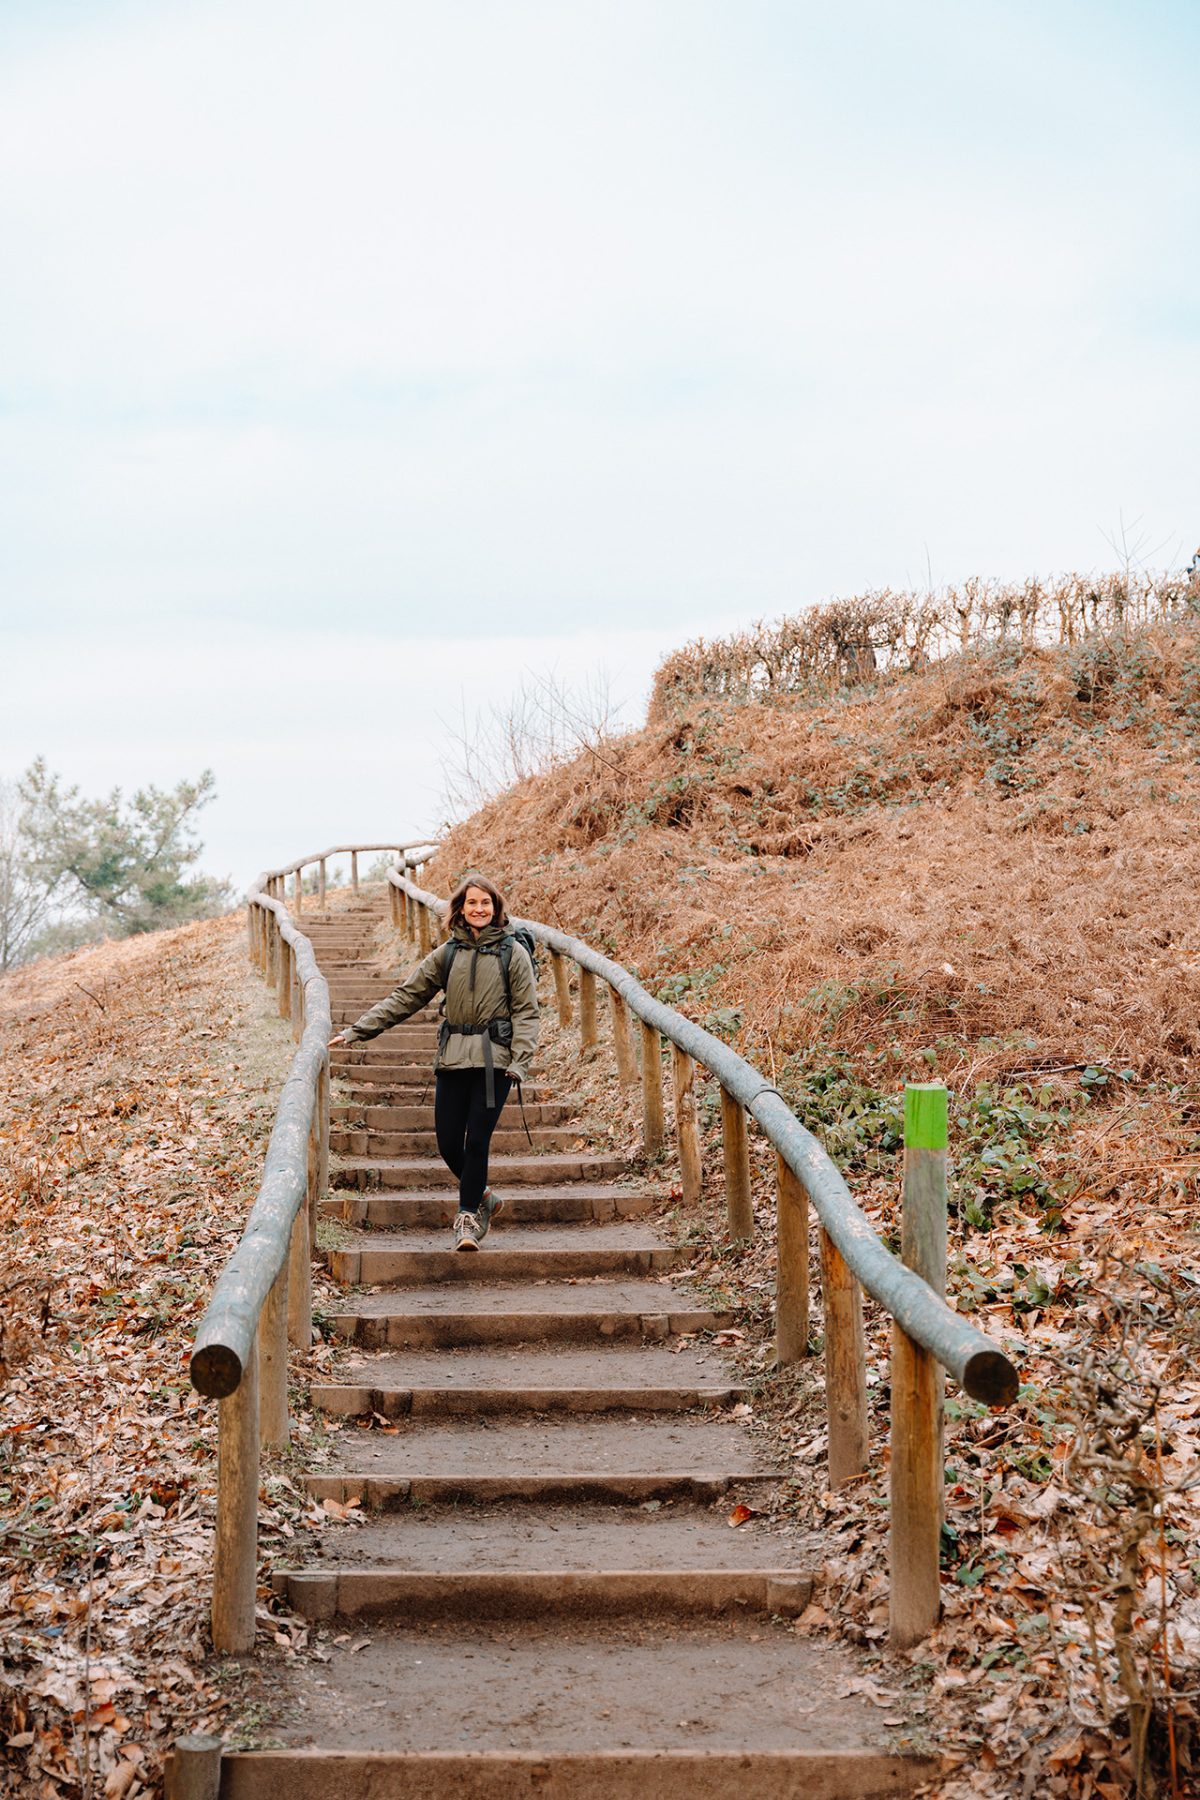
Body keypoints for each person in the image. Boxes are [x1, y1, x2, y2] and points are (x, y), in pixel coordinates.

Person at [328, 873, 539, 1251]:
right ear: (460, 908)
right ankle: (484, 1195)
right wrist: (358, 1030)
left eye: (486, 903)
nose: (479, 909)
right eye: (472, 903)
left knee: (476, 1141)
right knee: (446, 1142)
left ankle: (467, 1220)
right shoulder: (448, 954)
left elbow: (527, 1012)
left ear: (496, 908)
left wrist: (520, 1061)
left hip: (495, 1061)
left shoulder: (513, 953)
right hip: (453, 1056)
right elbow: (407, 996)